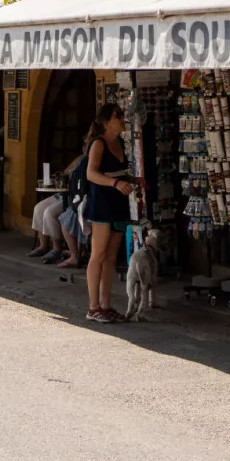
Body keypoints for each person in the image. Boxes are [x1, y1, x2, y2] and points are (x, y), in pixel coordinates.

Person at [83, 104, 134, 324]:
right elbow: (91, 174)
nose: (122, 118)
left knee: (112, 256)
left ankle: (106, 304)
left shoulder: (120, 142)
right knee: (99, 254)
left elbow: (121, 171)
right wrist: (114, 183)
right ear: (106, 122)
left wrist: (131, 181)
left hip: (118, 202)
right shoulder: (99, 144)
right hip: (102, 202)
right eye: (118, 116)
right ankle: (93, 307)